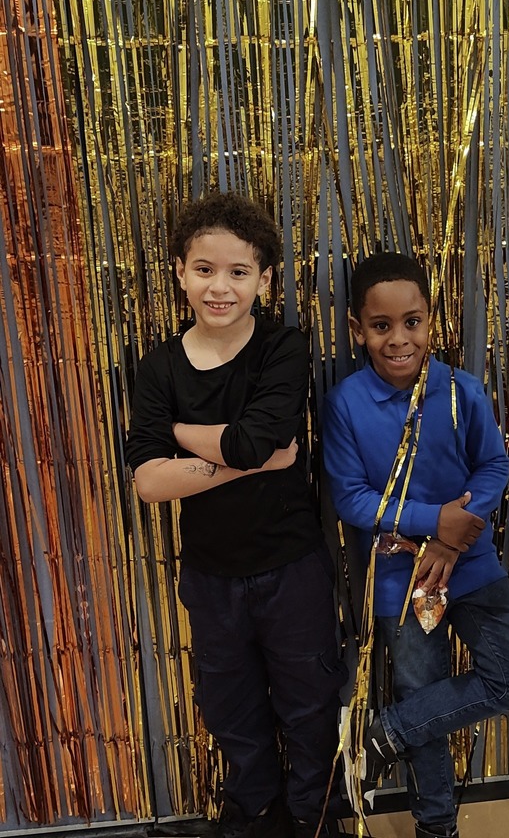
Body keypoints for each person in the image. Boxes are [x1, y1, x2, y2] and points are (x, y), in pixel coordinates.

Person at [126, 192, 346, 838]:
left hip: (291, 567)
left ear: (265, 279)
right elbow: (148, 481)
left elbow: (255, 441)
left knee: (309, 706)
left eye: (238, 272)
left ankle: (312, 817)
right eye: (204, 269)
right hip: (210, 575)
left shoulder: (283, 348)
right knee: (230, 709)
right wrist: (250, 460)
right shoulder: (159, 367)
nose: (219, 287)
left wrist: (178, 435)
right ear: (179, 272)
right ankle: (254, 814)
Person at [321, 251, 509, 838]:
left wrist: (451, 539)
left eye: (412, 322)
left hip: (471, 566)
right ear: (358, 329)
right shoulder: (346, 403)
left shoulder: (461, 390)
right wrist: (434, 524)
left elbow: (494, 466)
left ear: (430, 320)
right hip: (401, 580)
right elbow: (352, 499)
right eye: (381, 326)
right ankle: (436, 826)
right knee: (425, 695)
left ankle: (386, 733)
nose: (399, 339)